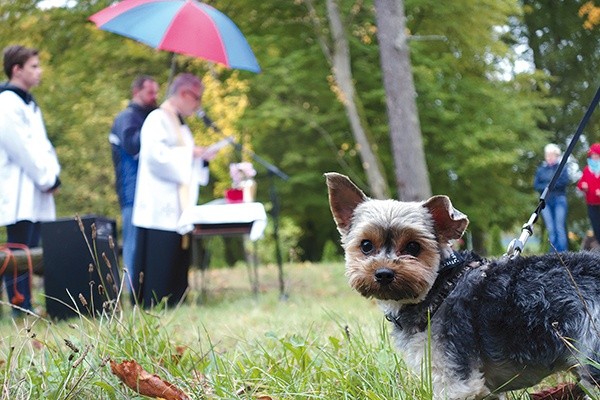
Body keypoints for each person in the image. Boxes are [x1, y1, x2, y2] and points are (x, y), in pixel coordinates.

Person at [131, 73, 216, 308]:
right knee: (160, 260)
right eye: (196, 98)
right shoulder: (157, 119)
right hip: (160, 205)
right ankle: (154, 303)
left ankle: (176, 300)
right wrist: (190, 154)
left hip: (178, 204)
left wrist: (202, 158)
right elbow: (155, 157)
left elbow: (186, 159)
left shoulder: (179, 124)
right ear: (184, 94)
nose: (198, 104)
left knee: (177, 259)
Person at [0, 45, 61, 314]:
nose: (40, 71)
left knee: (34, 247)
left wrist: (53, 176)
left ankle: (29, 303)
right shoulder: (7, 103)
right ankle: (19, 304)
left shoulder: (29, 103)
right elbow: (20, 148)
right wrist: (46, 178)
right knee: (18, 247)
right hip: (19, 187)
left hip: (37, 187)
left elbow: (43, 145)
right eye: (34, 66)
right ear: (17, 69)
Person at [109, 75, 159, 291]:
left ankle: (148, 286)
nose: (154, 97)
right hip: (132, 192)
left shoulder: (152, 117)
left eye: (156, 92)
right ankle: (131, 291)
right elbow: (132, 146)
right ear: (136, 91)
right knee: (133, 241)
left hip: (151, 191)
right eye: (150, 92)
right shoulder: (127, 118)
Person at [533, 143, 570, 252]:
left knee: (559, 227)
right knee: (551, 228)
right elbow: (536, 185)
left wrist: (548, 185)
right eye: (547, 155)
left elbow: (563, 182)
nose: (549, 157)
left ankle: (563, 253)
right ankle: (553, 254)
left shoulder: (562, 168)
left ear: (557, 155)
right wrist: (548, 185)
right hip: (545, 202)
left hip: (559, 199)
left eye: (552, 155)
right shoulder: (540, 170)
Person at [577, 143, 600, 245]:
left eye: (597, 156)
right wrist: (583, 186)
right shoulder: (587, 169)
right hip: (591, 204)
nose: (594, 158)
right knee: (596, 227)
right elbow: (580, 184)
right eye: (593, 156)